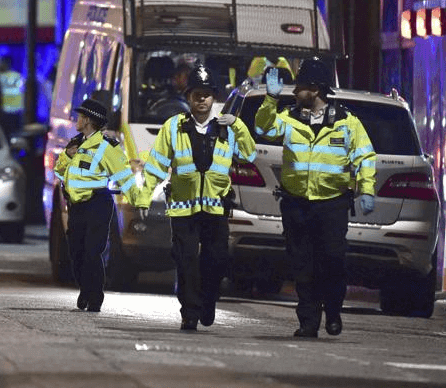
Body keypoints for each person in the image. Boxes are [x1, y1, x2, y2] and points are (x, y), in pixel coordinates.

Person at [258, 60, 376, 338]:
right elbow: (264, 128)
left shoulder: (347, 122)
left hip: (332, 203)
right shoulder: (289, 118)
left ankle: (333, 310)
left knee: (333, 260)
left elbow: (365, 157)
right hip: (297, 202)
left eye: (300, 86)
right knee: (302, 265)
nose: (295, 91)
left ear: (315, 88)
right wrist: (270, 98)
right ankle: (308, 321)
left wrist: (367, 189)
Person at [136, 64, 256, 331]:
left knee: (217, 261)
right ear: (188, 97)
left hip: (215, 210)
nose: (202, 99)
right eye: (196, 94)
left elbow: (249, 155)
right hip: (182, 209)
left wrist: (238, 124)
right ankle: (189, 313)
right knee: (186, 262)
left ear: (214, 98)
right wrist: (144, 197)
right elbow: (155, 165)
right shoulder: (174, 127)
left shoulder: (228, 129)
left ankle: (209, 299)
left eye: (206, 94)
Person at [53, 97, 140, 313]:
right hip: (76, 206)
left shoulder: (106, 147)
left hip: (98, 203)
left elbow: (123, 175)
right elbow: (58, 171)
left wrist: (139, 200)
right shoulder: (75, 144)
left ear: (89, 121)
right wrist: (66, 155)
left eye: (81, 116)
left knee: (93, 252)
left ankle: (95, 297)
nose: (77, 119)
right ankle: (85, 288)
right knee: (76, 252)